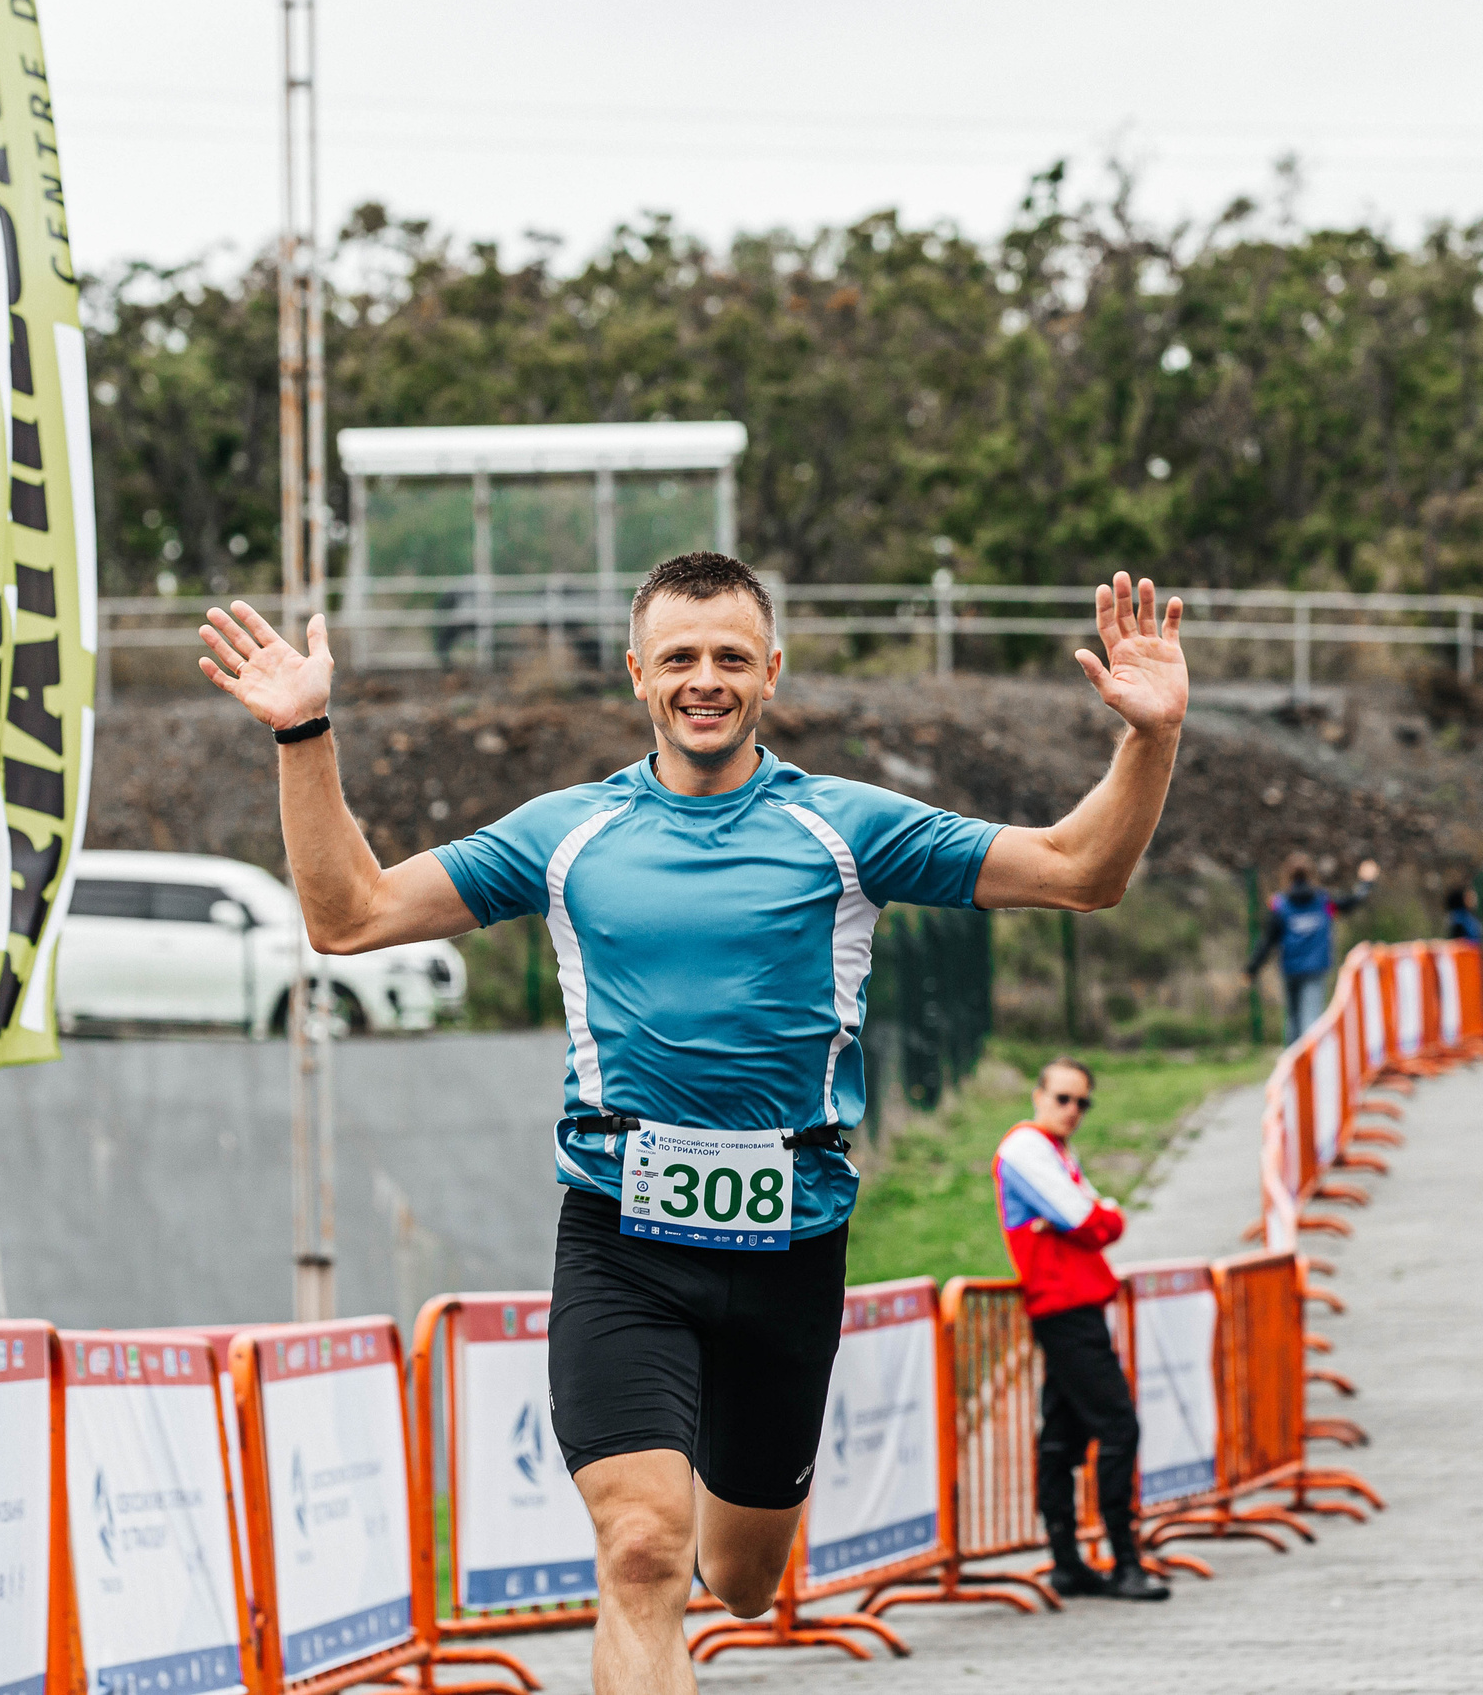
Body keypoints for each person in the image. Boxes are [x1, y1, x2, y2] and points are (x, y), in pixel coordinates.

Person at [197, 555, 1189, 1694]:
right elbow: (349, 914)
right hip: (624, 1245)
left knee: (741, 1576)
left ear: (771, 673)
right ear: (637, 675)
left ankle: (735, 1519)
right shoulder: (567, 836)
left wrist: (1149, 737)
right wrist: (303, 734)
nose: (703, 680)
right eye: (679, 658)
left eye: (729, 657)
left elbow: (1079, 872)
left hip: (789, 1253)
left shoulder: (843, 828)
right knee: (641, 1549)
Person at [994, 1058, 1169, 1602]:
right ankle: (1124, 1559)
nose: (1072, 1111)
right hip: (1063, 1308)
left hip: (1075, 1305)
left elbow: (1105, 1221)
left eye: (1082, 1103)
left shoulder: (1054, 1152)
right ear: (1038, 1094)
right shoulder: (1025, 1149)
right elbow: (1087, 1219)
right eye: (1063, 1099)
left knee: (1064, 1436)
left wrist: (1093, 1218)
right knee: (1118, 1426)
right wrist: (1088, 1219)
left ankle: (1069, 1562)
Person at [1246, 854, 1379, 1044]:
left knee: (1292, 1020)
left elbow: (1268, 940)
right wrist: (1366, 882)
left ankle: (1293, 1064)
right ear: (1311, 875)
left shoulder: (1280, 905)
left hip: (1290, 969)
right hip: (1316, 969)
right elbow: (1352, 902)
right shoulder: (1324, 903)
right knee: (1312, 1020)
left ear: (1287, 877)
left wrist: (1251, 969)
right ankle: (1311, 1067)